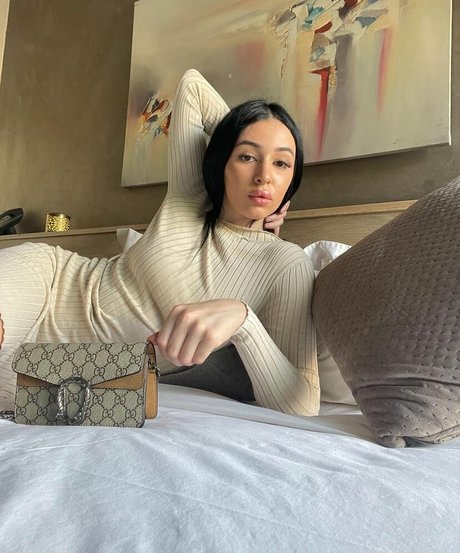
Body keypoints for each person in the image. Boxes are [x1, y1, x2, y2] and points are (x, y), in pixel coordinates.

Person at [0, 69, 319, 415]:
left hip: (93, 363)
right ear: (224, 161)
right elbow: (192, 87)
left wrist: (244, 322)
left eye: (281, 163)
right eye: (246, 156)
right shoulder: (189, 197)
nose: (264, 176)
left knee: (16, 388)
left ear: (293, 178)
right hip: (52, 281)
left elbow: (303, 403)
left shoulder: (286, 265)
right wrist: (238, 131)